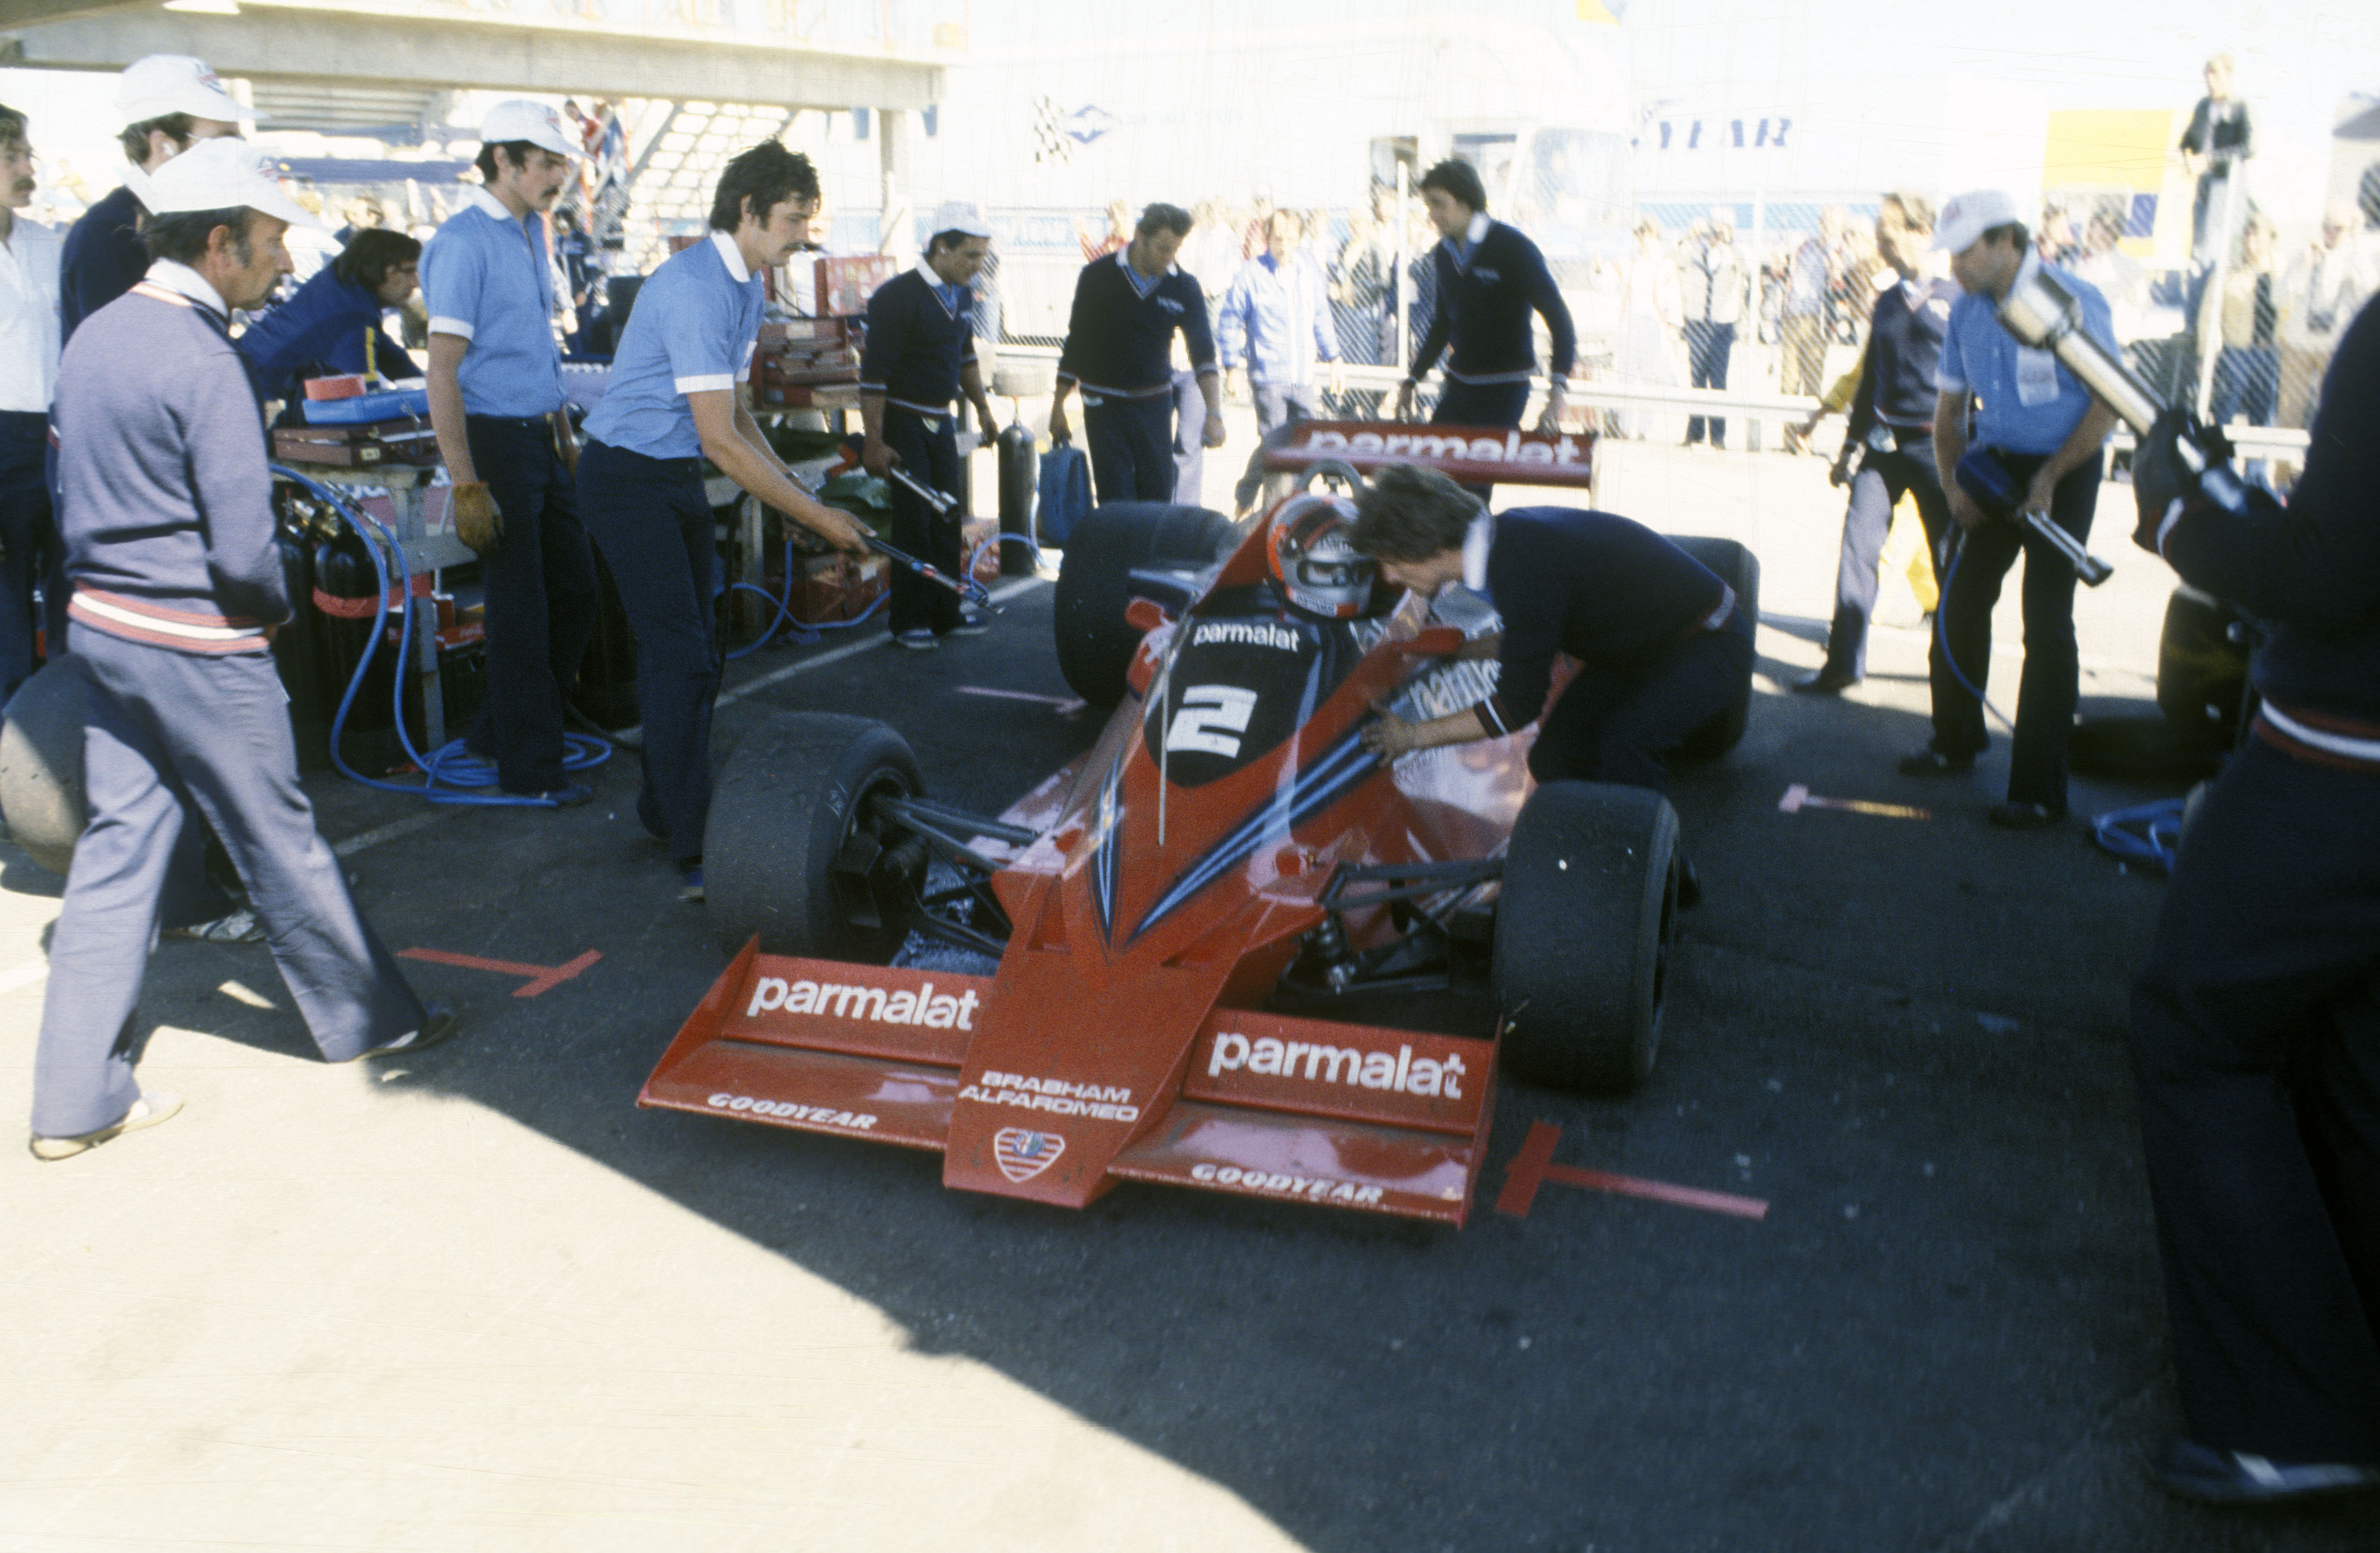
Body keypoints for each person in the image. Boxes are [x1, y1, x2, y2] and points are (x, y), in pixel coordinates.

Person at [31, 139, 456, 1163]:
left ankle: (72, 1096)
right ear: (218, 243)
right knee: (279, 839)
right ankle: (374, 1021)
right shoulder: (203, 358)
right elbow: (242, 543)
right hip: (198, 640)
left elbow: (60, 486)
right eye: (269, 241)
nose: (282, 261)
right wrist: (267, 614)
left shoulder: (96, 335)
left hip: (104, 633)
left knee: (121, 847)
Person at [2119, 291, 2380, 1506]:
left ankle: (2291, 1413)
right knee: (2350, 1062)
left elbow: (2326, 577)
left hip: (2337, 762)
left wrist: (2177, 515)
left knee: (2198, 1036)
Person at [578, 143, 872, 902]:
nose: (802, 234)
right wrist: (813, 513)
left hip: (672, 472)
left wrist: (797, 490)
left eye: (808, 220)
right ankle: (691, 842)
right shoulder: (696, 289)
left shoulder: (746, 283)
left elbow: (737, 412)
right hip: (625, 477)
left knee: (697, 649)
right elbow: (718, 438)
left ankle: (661, 802)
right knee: (680, 656)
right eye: (791, 219)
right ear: (746, 209)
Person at [1348, 462, 1749, 904]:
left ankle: (1668, 876)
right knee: (1556, 758)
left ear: (1429, 546)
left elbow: (1516, 706)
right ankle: (1592, 853)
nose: (1388, 577)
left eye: (1392, 560)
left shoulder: (1523, 565)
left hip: (1709, 641)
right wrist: (1459, 650)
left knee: (1627, 743)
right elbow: (1530, 636)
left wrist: (1412, 735)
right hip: (1642, 647)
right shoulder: (1507, 541)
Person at [1899, 190, 2119, 828]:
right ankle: (1955, 740)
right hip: (1994, 468)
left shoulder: (2070, 297)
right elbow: (1946, 417)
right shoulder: (1965, 312)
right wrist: (1954, 489)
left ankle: (2038, 791)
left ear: (2006, 243)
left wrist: (2050, 476)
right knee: (1960, 603)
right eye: (1950, 254)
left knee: (2045, 621)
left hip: (2065, 466)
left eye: (1966, 252)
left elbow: (2105, 405)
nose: (1956, 267)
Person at [421, 100, 597, 804]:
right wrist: (466, 483)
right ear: (503, 159)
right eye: (547, 162)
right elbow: (441, 369)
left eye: (562, 163)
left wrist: (564, 436)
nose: (559, 176)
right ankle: (530, 772)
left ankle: (502, 732)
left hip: (538, 438)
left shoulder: (532, 230)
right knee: (519, 609)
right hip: (493, 438)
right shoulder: (464, 242)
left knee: (577, 588)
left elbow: (537, 349)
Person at [1798, 193, 1957, 694]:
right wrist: (1849, 448)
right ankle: (1843, 664)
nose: (1879, 239)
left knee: (1951, 564)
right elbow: (1872, 381)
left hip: (1938, 451)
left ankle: (1952, 691)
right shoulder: (1888, 300)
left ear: (1918, 229)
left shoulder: (1958, 298)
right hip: (1884, 448)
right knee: (1857, 548)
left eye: (1887, 228)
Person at [859, 199, 1000, 650]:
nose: (979, 267)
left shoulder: (959, 294)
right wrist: (875, 440)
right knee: (915, 521)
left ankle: (946, 611)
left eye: (983, 256)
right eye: (972, 256)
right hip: (903, 420)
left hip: (942, 420)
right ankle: (909, 620)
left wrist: (982, 409)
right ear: (942, 247)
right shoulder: (896, 298)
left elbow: (966, 356)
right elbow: (874, 376)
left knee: (947, 518)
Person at [1049, 202, 1224, 506]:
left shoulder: (1184, 286)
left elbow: (1203, 353)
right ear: (1139, 237)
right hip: (1104, 406)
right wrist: (1058, 405)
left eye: (1175, 250)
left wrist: (1214, 414)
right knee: (1115, 500)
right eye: (1163, 249)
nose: (1169, 258)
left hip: (1153, 405)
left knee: (1157, 496)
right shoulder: (1096, 276)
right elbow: (1076, 343)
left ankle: (1151, 555)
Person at [60, 55, 243, 342]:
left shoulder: (185, 223)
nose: (239, 155)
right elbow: (123, 364)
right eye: (226, 142)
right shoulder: (107, 236)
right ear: (163, 146)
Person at [1392, 158, 1574, 436]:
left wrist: (1558, 391)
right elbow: (1443, 324)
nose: (1432, 214)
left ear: (1466, 202)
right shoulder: (1443, 253)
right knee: (1430, 473)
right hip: (1459, 385)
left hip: (1505, 390)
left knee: (1473, 479)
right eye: (1428, 205)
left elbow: (1559, 318)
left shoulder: (1513, 247)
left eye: (1439, 203)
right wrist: (1412, 381)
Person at [0, 101, 65, 708]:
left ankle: (76, 735)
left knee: (76, 590)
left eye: (28, 155)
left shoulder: (49, 244)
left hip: (62, 434)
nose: (27, 168)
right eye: (11, 156)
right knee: (5, 610)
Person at [1218, 209, 1343, 510]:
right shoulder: (1252, 273)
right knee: (1279, 455)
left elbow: (1321, 316)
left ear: (1299, 239)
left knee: (1297, 443)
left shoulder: (1309, 270)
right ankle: (1276, 521)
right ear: (1267, 238)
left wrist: (1334, 358)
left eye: (1289, 238)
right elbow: (1230, 319)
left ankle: (1245, 494)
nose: (1283, 245)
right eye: (1277, 238)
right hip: (1269, 378)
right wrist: (1231, 366)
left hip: (1302, 378)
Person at [235, 227, 419, 405]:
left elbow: (391, 357)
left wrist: (427, 387)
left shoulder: (345, 287)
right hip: (256, 394)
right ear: (373, 268)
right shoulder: (352, 312)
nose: (416, 282)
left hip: (247, 373)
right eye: (409, 271)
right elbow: (359, 393)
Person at [2277, 200, 2369, 430]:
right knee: (2290, 410)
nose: (2331, 233)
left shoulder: (2353, 258)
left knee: (2331, 409)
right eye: (2327, 226)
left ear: (2348, 231)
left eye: (2338, 228)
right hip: (2299, 344)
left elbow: (2368, 290)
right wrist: (2306, 267)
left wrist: (2356, 242)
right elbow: (2279, 297)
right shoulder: (2304, 253)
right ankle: (2283, 466)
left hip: (2332, 346)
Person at [2201, 213, 2280, 430]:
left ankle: (2258, 465)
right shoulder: (2227, 274)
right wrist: (2205, 355)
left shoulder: (2282, 274)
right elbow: (2209, 317)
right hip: (2236, 354)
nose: (2249, 239)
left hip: (2270, 355)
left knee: (2264, 418)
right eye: (2246, 233)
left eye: (2256, 234)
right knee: (2225, 412)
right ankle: (2220, 461)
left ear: (2271, 240)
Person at [1610, 219, 1684, 444]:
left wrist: (1673, 327)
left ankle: (1644, 429)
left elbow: (1674, 299)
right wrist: (1597, 270)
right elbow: (1605, 283)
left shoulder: (1666, 266)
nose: (1644, 239)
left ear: (1655, 236)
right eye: (1641, 234)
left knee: (1650, 378)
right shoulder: (1628, 263)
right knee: (1626, 377)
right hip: (1629, 328)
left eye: (1649, 234)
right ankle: (1624, 427)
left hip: (1654, 328)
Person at [1679, 208, 1748, 448]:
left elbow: (1747, 267)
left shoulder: (1734, 253)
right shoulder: (1695, 248)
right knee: (1696, 379)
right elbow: (1672, 257)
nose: (1715, 232)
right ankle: (1694, 432)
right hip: (1697, 321)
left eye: (1722, 227)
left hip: (1721, 324)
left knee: (1718, 381)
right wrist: (1688, 236)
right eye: (1714, 226)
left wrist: (1728, 244)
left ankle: (1718, 437)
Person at [2180, 53, 2252, 269]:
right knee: (2199, 246)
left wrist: (2210, 160)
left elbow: (2248, 147)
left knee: (2221, 244)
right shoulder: (2204, 107)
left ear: (2229, 76)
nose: (2211, 82)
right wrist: (2186, 157)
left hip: (2227, 185)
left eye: (2216, 75)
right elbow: (2188, 140)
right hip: (2204, 184)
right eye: (2207, 76)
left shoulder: (2241, 108)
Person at [1779, 208, 1844, 444]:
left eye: (1834, 224)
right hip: (1794, 316)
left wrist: (1832, 253)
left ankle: (1804, 437)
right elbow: (1785, 272)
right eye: (1825, 222)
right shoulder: (1805, 247)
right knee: (1789, 379)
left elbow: (1839, 282)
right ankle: (1787, 436)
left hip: (1818, 319)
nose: (1828, 228)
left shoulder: (1838, 250)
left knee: (1813, 380)